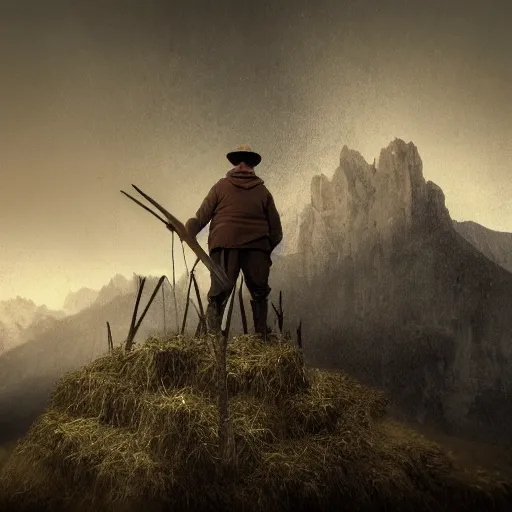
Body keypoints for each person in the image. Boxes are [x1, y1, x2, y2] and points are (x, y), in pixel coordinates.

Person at [185, 144, 283, 339]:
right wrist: (264, 250)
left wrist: (188, 230)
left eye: (243, 162)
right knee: (259, 292)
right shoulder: (263, 192)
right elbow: (276, 232)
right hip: (255, 248)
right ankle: (261, 335)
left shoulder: (220, 187)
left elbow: (201, 217)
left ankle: (211, 336)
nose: (243, 165)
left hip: (225, 245)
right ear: (249, 166)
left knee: (220, 292)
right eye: (244, 162)